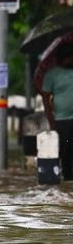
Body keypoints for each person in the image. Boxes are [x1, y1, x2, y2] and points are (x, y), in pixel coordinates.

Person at [41, 45, 73, 180]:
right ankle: (68, 178)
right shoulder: (52, 74)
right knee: (65, 151)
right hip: (62, 120)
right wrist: (51, 120)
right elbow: (45, 97)